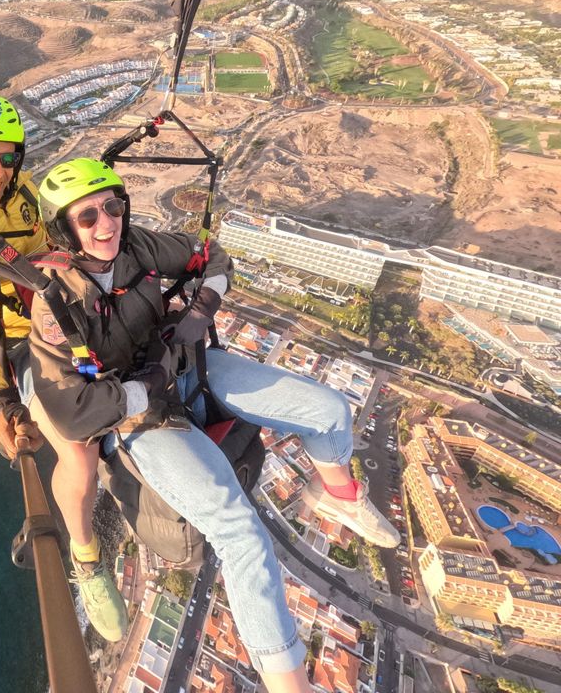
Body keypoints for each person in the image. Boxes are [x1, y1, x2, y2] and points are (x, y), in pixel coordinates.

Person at [28, 158, 399, 693]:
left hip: (186, 365)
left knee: (330, 410)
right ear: (64, 229)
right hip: (139, 417)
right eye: (88, 217)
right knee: (241, 532)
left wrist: (201, 310)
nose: (107, 223)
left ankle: (336, 492)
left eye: (113, 206)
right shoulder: (55, 304)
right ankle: (288, 681)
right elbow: (74, 411)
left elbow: (213, 257)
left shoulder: (141, 247)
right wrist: (144, 387)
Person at [0, 94, 127, 641]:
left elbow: (49, 243)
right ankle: (87, 561)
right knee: (78, 454)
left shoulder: (25, 194)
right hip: (17, 349)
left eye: (8, 157)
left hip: (59, 321)